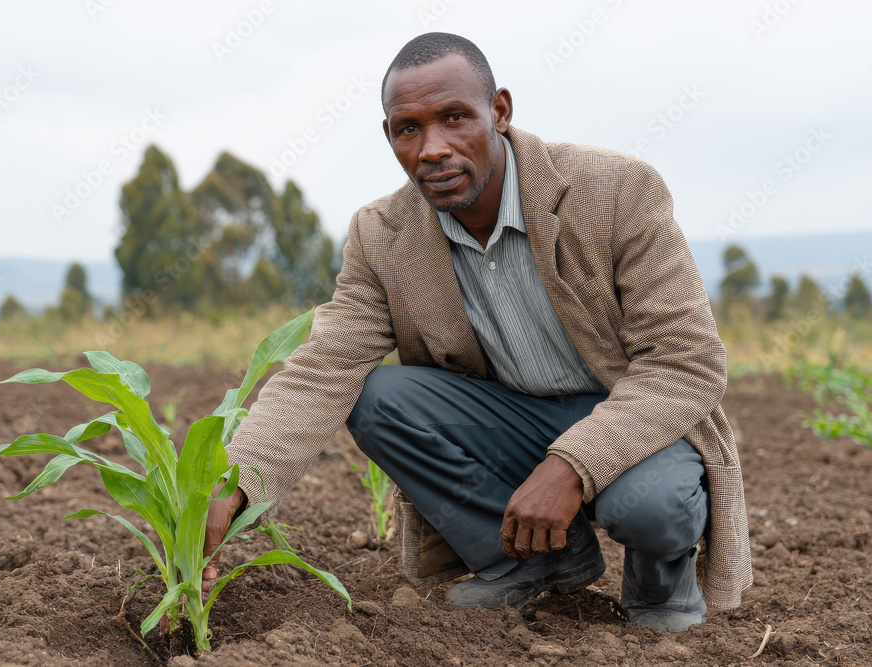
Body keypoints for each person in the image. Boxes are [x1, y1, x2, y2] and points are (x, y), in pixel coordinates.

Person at [203, 32, 751, 631]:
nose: (432, 148)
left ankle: (659, 583)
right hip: (511, 420)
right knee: (378, 397)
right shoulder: (382, 234)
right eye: (408, 129)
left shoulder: (615, 192)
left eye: (455, 118)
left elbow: (686, 363)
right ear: (389, 137)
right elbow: (322, 369)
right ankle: (533, 560)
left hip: (632, 415)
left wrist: (572, 465)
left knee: (651, 507)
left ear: (500, 111)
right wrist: (237, 482)